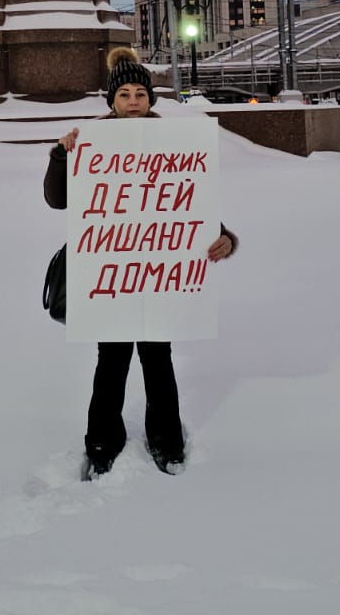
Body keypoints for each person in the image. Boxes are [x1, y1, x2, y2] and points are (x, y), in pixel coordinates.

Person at [44, 46, 238, 478]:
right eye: (125, 95)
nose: (133, 102)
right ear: (111, 101)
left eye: (140, 95)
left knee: (158, 358)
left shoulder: (174, 145)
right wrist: (61, 155)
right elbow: (59, 200)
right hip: (111, 274)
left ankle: (166, 440)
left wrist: (224, 238)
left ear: (151, 100)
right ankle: (102, 442)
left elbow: (185, 205)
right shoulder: (92, 145)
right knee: (110, 361)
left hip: (157, 277)